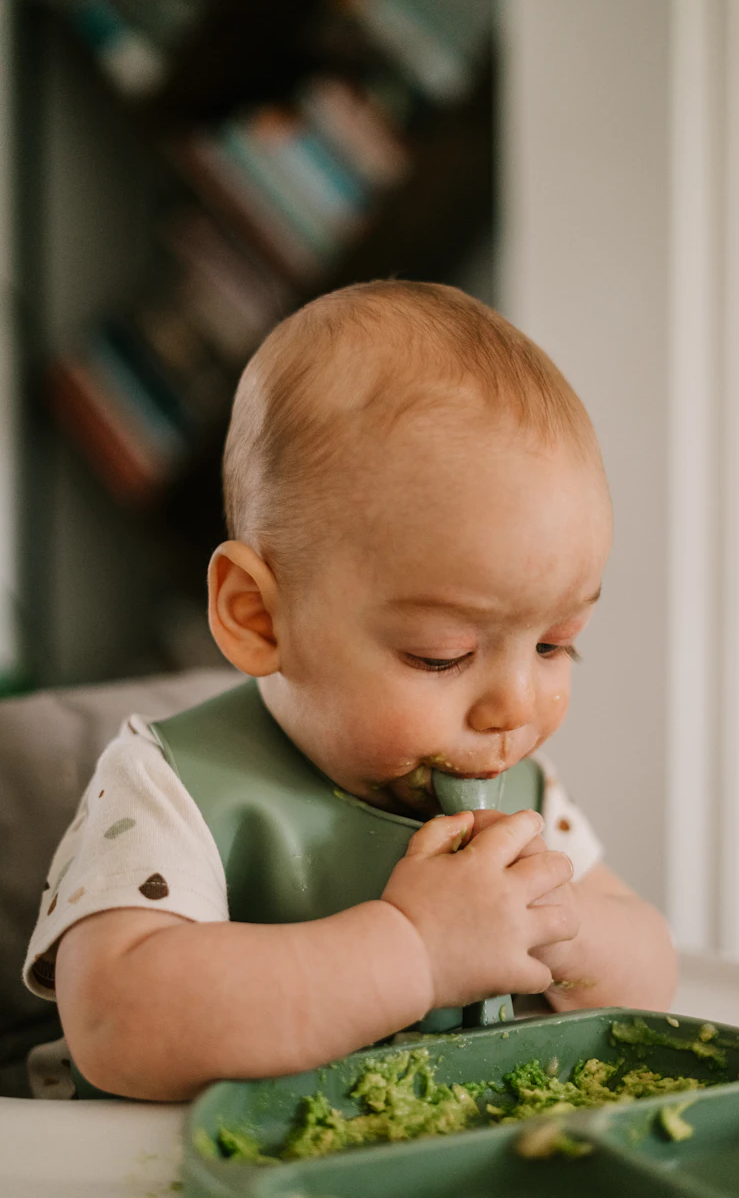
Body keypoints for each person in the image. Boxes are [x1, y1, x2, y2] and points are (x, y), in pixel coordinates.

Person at [24, 281, 676, 1101]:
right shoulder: (168, 789)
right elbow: (120, 1022)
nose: (515, 708)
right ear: (259, 617)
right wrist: (413, 950)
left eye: (555, 645)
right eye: (441, 655)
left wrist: (567, 935)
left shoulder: (522, 798)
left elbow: (652, 968)